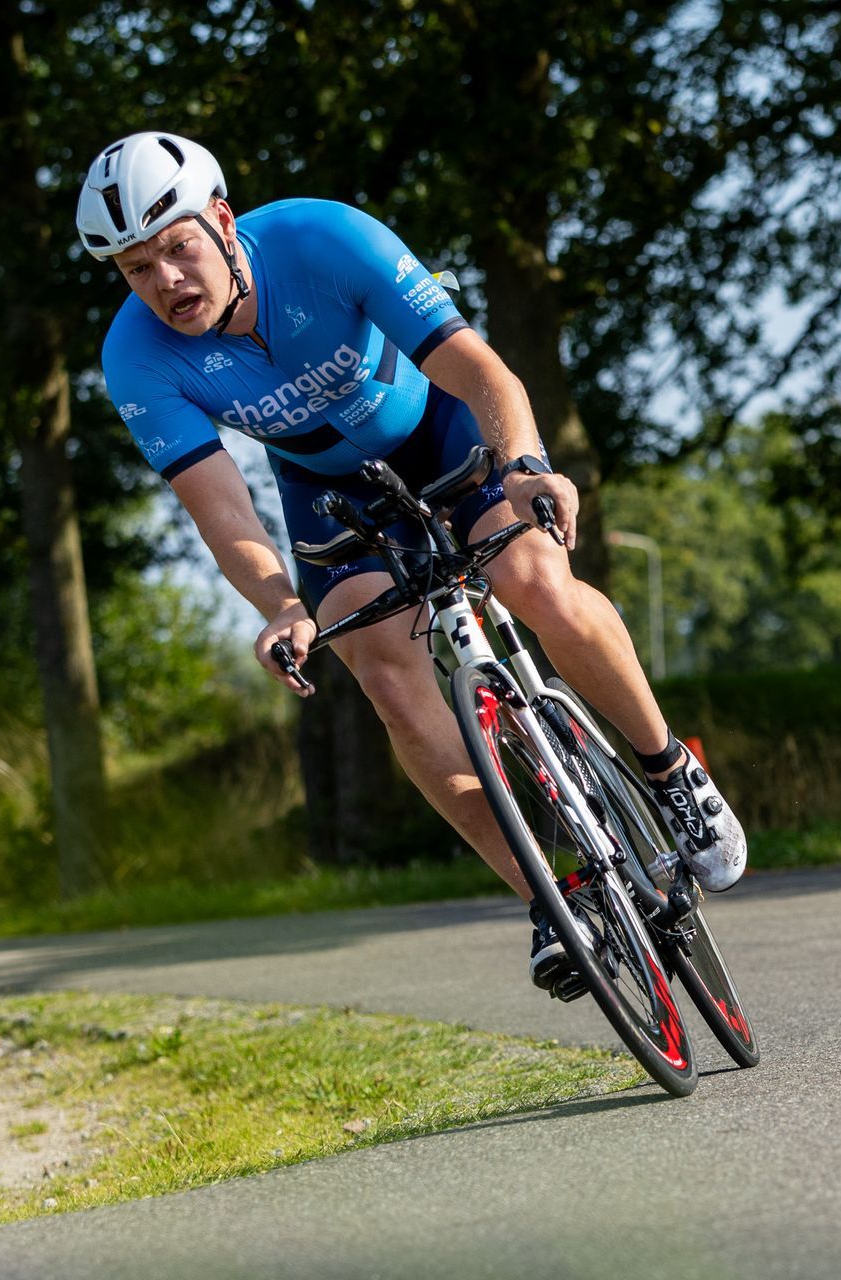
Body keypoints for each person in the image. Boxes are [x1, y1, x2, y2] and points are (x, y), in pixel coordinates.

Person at [75, 132, 746, 996]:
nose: (165, 281)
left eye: (177, 248)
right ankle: (556, 895)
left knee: (534, 579)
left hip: (443, 428)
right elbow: (220, 506)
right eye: (136, 268)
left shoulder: (324, 238)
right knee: (387, 676)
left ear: (222, 220)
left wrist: (527, 464)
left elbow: (481, 370)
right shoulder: (134, 357)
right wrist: (281, 604)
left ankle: (669, 770)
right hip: (328, 487)